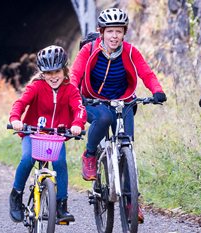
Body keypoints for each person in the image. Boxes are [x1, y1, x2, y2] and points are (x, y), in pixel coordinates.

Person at [69, 8, 167, 223]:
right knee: (103, 119)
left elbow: (146, 73)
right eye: (110, 31)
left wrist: (156, 90)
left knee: (127, 147)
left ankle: (132, 201)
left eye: (119, 31)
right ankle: (90, 154)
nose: (114, 36)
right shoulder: (89, 50)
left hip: (123, 101)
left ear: (125, 33)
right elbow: (74, 75)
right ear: (101, 32)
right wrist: (74, 96)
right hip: (93, 100)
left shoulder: (130, 51)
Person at [8, 45, 86, 223]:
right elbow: (20, 103)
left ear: (64, 70)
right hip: (33, 133)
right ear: (42, 73)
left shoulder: (71, 89)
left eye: (57, 71)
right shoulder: (36, 86)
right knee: (28, 158)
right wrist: (15, 119)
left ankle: (61, 206)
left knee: (60, 163)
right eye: (48, 73)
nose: (53, 76)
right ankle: (16, 195)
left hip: (57, 136)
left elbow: (79, 109)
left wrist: (76, 124)